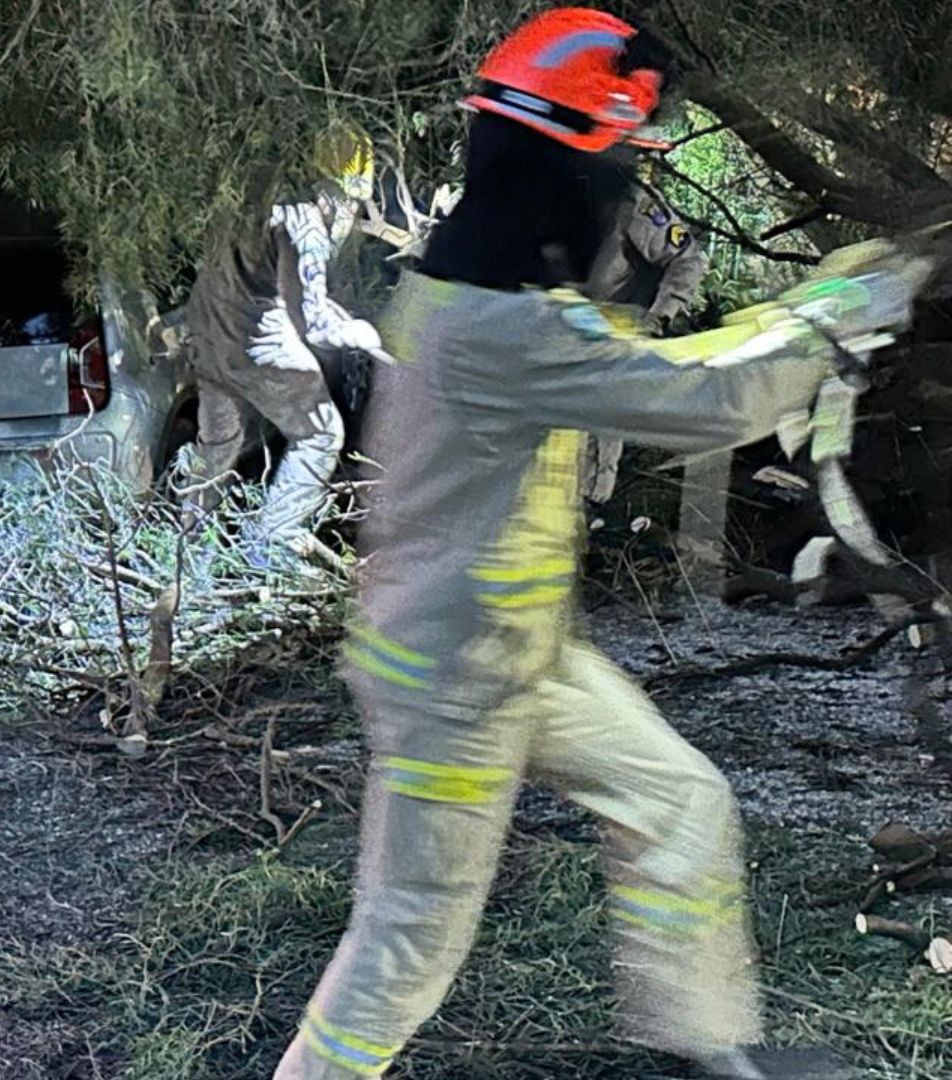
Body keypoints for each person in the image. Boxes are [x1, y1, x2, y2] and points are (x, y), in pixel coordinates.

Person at [271, 9, 933, 1080]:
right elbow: (707, 398)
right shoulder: (498, 327)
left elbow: (671, 366)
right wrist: (840, 307)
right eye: (619, 160)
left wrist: (816, 311)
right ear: (564, 168)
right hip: (451, 680)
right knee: (410, 935)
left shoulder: (491, 289)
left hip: (514, 651)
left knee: (679, 802)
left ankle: (711, 1048)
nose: (625, 187)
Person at [179, 119, 382, 569]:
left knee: (217, 448)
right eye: (351, 202)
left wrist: (337, 314)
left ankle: (186, 561)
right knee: (321, 434)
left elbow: (285, 293)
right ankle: (271, 543)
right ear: (337, 190)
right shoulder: (306, 225)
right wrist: (362, 334)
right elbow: (312, 324)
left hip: (209, 338)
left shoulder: (249, 203)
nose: (351, 214)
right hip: (257, 343)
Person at [580, 170, 713, 504]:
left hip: (612, 337)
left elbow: (687, 260)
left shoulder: (630, 200)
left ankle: (590, 508)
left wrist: (658, 317)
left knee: (591, 453)